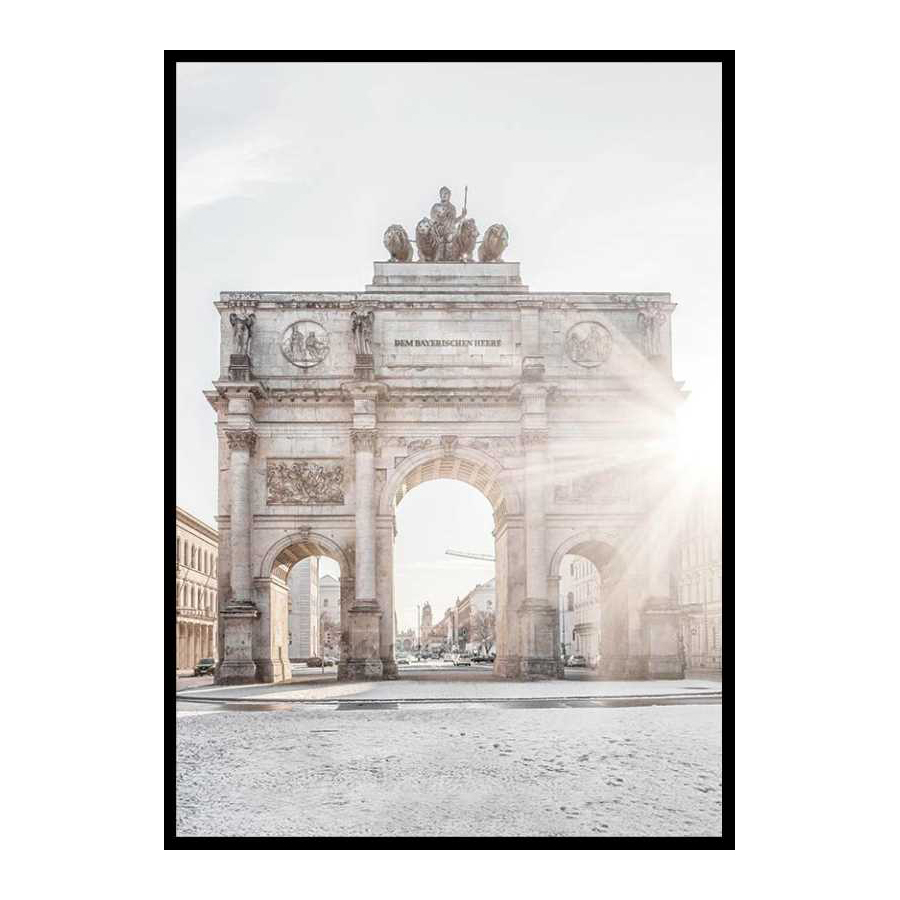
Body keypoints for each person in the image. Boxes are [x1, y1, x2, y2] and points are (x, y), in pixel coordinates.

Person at [429, 186, 467, 261]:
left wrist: (462, 216)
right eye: (442, 193)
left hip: (450, 232)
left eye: (446, 193)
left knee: (451, 245)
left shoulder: (452, 208)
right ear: (440, 195)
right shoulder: (435, 207)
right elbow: (433, 220)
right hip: (439, 232)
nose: (444, 195)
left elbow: (453, 222)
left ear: (449, 196)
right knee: (440, 246)